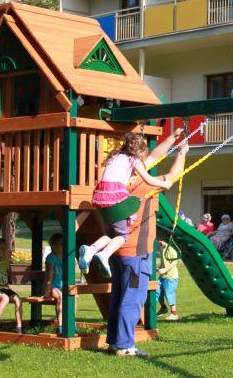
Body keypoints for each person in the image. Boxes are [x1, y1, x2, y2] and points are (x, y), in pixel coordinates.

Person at [107, 136, 189, 358]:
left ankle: (115, 342)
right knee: (132, 297)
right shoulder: (143, 185)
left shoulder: (126, 176)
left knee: (119, 294)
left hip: (119, 250)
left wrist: (172, 138)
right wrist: (181, 154)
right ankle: (125, 346)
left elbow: (154, 156)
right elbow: (172, 176)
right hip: (136, 252)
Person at [78, 130, 180, 278]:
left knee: (111, 234)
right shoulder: (134, 160)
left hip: (100, 198)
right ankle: (104, 255)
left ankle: (90, 251)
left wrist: (174, 136)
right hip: (115, 198)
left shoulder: (115, 156)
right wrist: (165, 184)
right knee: (122, 236)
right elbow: (148, 179)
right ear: (137, 152)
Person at [43, 233, 67, 324]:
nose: (63, 246)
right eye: (61, 244)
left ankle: (71, 321)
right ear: (53, 245)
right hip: (52, 286)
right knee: (60, 297)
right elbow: (49, 276)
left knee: (74, 296)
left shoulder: (66, 257)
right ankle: (60, 324)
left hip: (63, 285)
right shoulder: (51, 258)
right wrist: (47, 290)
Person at [156, 240, 180, 321]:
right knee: (156, 291)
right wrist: (159, 268)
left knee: (169, 293)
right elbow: (164, 262)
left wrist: (165, 269)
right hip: (163, 276)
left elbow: (174, 262)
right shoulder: (162, 248)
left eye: (161, 240)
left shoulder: (171, 249)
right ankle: (163, 308)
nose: (159, 242)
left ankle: (174, 314)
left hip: (171, 277)